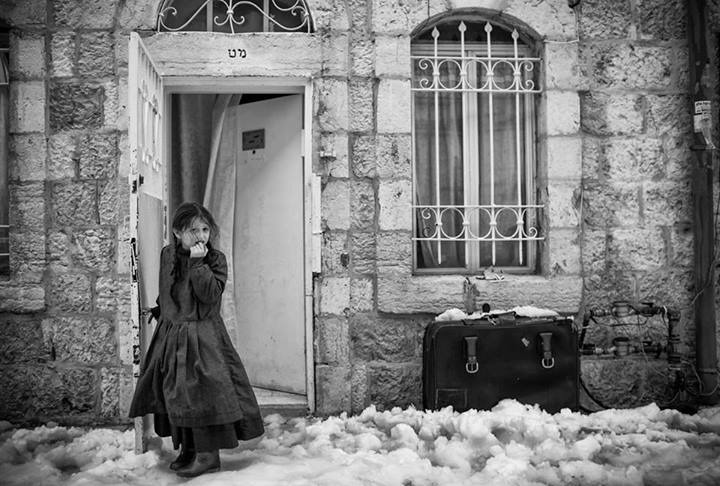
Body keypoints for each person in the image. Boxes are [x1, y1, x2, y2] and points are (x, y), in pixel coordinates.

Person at [129, 201, 264, 478]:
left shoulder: (214, 260)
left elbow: (210, 296)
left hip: (203, 337)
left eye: (205, 229)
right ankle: (189, 449)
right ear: (178, 232)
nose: (201, 236)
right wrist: (162, 309)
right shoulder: (168, 254)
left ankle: (207, 456)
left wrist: (198, 263)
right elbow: (169, 288)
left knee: (202, 393)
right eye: (193, 230)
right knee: (177, 395)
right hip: (172, 333)